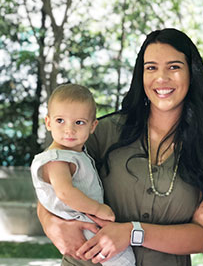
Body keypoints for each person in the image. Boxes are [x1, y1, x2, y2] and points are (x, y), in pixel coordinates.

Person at [37, 28, 203, 266]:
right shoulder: (103, 131)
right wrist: (51, 223)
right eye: (151, 67)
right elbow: (53, 180)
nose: (161, 78)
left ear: (192, 74)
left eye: (174, 67)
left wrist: (133, 232)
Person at [31, 84, 136, 265]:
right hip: (81, 221)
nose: (69, 129)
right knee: (122, 260)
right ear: (48, 122)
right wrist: (98, 209)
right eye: (60, 121)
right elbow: (65, 193)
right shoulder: (57, 159)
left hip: (85, 219)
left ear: (93, 126)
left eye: (79, 122)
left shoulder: (75, 154)